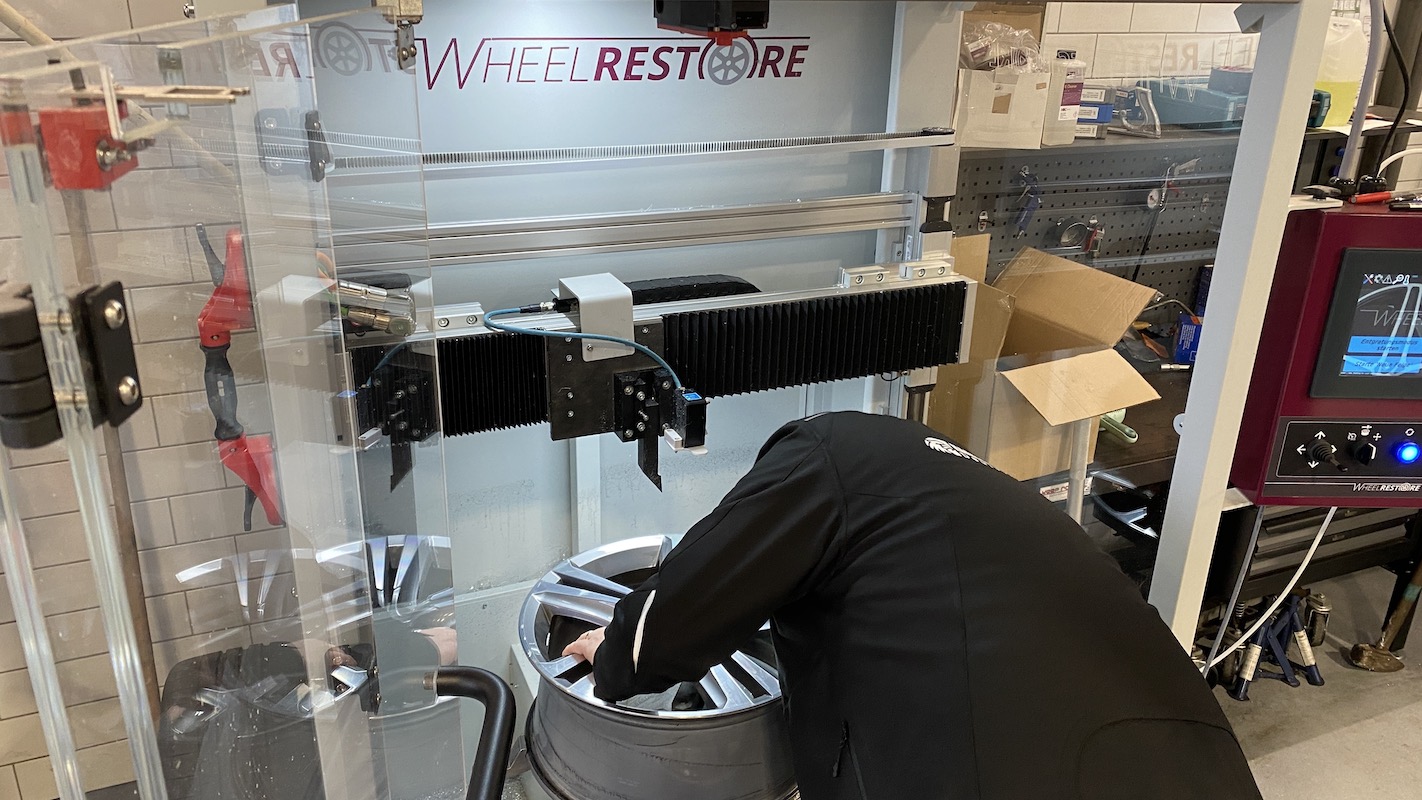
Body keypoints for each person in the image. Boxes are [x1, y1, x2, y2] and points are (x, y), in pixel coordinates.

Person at [562, 411, 1261, 800]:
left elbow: (693, 597)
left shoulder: (822, 452)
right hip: (1194, 760)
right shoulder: (956, 488)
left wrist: (618, 653)